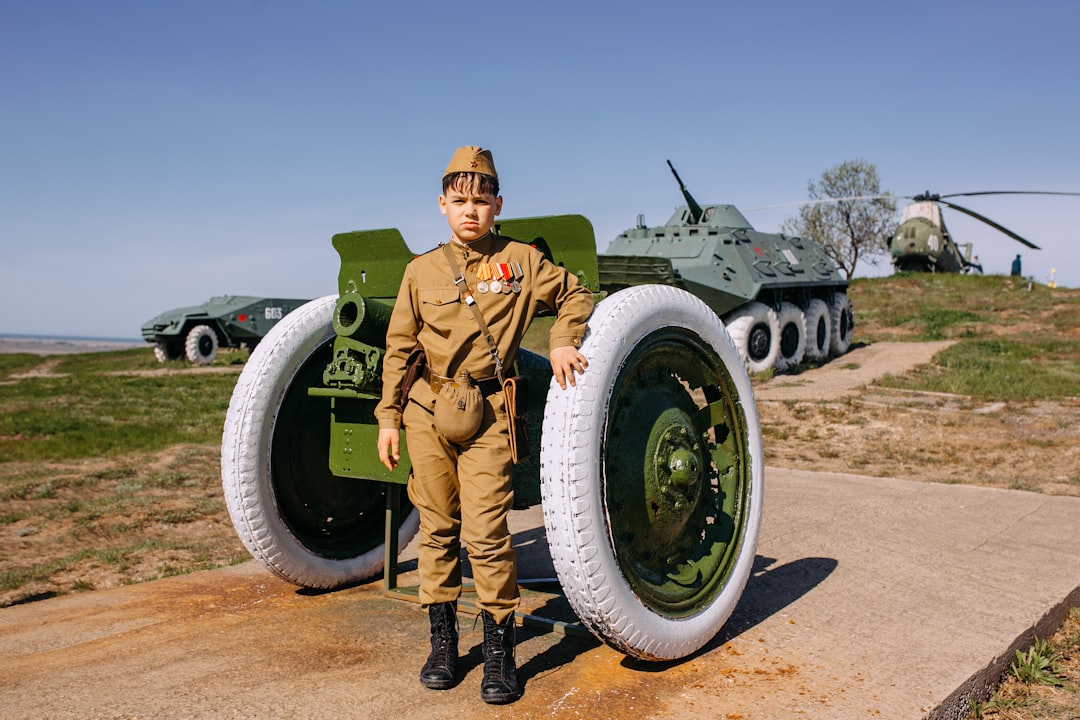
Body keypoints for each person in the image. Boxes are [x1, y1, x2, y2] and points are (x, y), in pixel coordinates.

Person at [375, 146, 593, 704]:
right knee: (436, 528)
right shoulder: (419, 271)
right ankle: (443, 644)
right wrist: (389, 418)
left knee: (488, 534)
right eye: (459, 201)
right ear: (441, 205)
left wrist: (563, 340)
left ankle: (500, 652)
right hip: (426, 410)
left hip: (491, 411)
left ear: (498, 204)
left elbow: (575, 294)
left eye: (481, 200)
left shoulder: (520, 261)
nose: (470, 211)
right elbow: (399, 348)